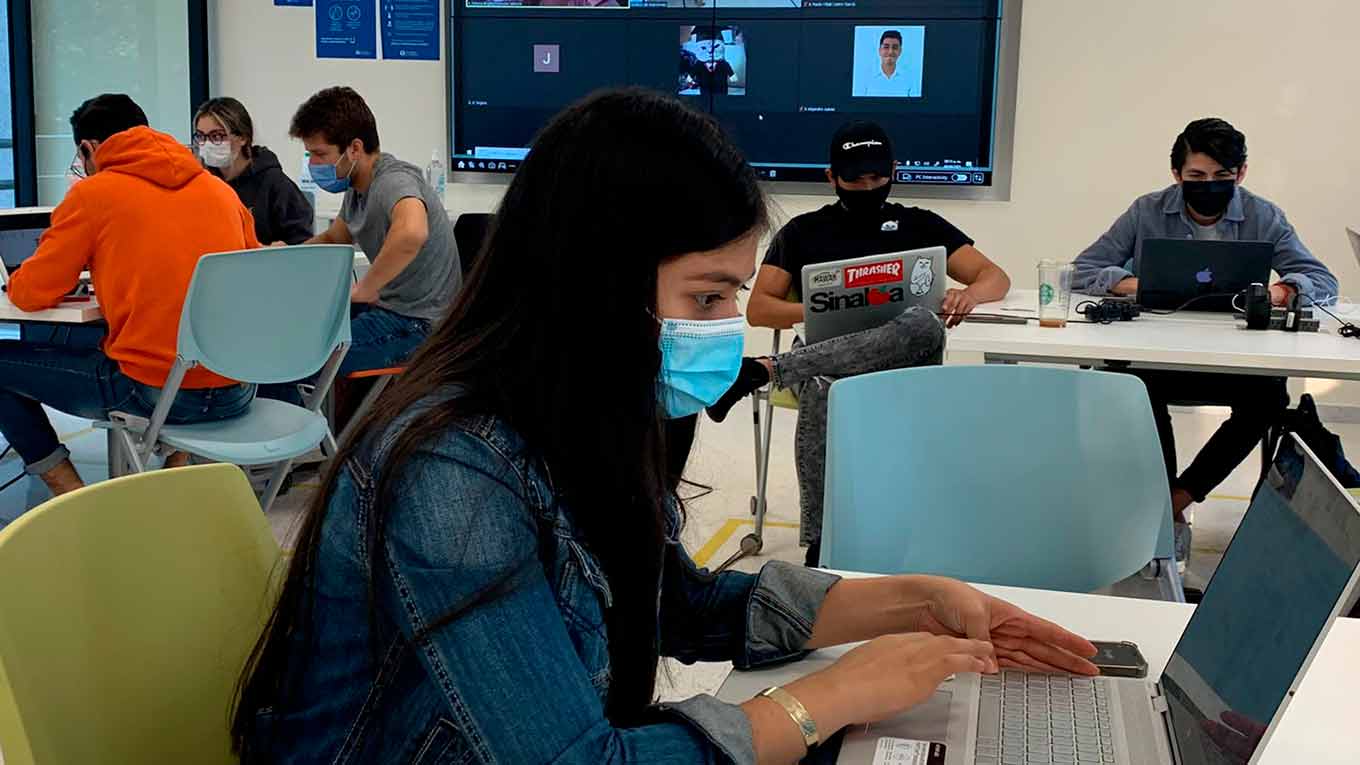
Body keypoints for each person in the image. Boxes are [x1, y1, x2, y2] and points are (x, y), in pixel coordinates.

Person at [230, 88, 1097, 764]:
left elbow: (679, 602)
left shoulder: (587, 409)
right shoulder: (452, 467)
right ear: (600, 284)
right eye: (708, 297)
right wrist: (826, 700)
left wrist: (915, 599)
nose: (725, 326)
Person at [731, 120, 1011, 566]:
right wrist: (828, 307)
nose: (867, 186)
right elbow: (759, 308)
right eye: (854, 179)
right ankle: (823, 543)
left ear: (893, 172)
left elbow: (995, 276)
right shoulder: (803, 232)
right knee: (825, 386)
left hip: (903, 365)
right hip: (826, 365)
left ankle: (771, 368)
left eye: (877, 178)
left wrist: (969, 294)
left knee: (922, 325)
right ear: (831, 178)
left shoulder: (921, 224)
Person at [1072, 117, 1339, 571]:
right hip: (1158, 354)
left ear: (1241, 173)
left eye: (1222, 177)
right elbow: (1082, 270)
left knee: (1269, 396)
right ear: (1177, 174)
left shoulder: (1263, 215)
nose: (1209, 186)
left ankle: (1176, 500)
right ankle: (1165, 511)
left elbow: (1321, 278)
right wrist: (1131, 284)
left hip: (1235, 359)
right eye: (1196, 177)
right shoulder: (1147, 210)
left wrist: (1283, 290)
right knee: (1134, 388)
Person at [0, 94, 258, 497]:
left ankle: (71, 493)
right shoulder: (221, 192)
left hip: (154, 393)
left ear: (88, 148)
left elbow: (32, 293)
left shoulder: (94, 194)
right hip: (239, 387)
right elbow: (251, 274)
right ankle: (176, 464)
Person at [288, 86, 460, 376]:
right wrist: (285, 258)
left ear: (354, 149)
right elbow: (335, 237)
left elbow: (411, 234)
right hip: (390, 311)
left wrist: (367, 288)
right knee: (288, 332)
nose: (313, 165)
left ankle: (300, 421)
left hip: (420, 325)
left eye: (319, 154)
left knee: (294, 357)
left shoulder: (393, 181)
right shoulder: (357, 186)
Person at [193, 97, 315, 246]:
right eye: (200, 136)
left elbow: (302, 243)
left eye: (217, 136)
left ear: (243, 137)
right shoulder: (202, 182)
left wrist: (276, 250)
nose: (207, 144)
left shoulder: (274, 183)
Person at [856, 30, 915, 98]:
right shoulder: (865, 76)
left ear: (900, 51)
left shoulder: (910, 78)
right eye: (886, 47)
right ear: (880, 50)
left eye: (895, 47)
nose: (890, 52)